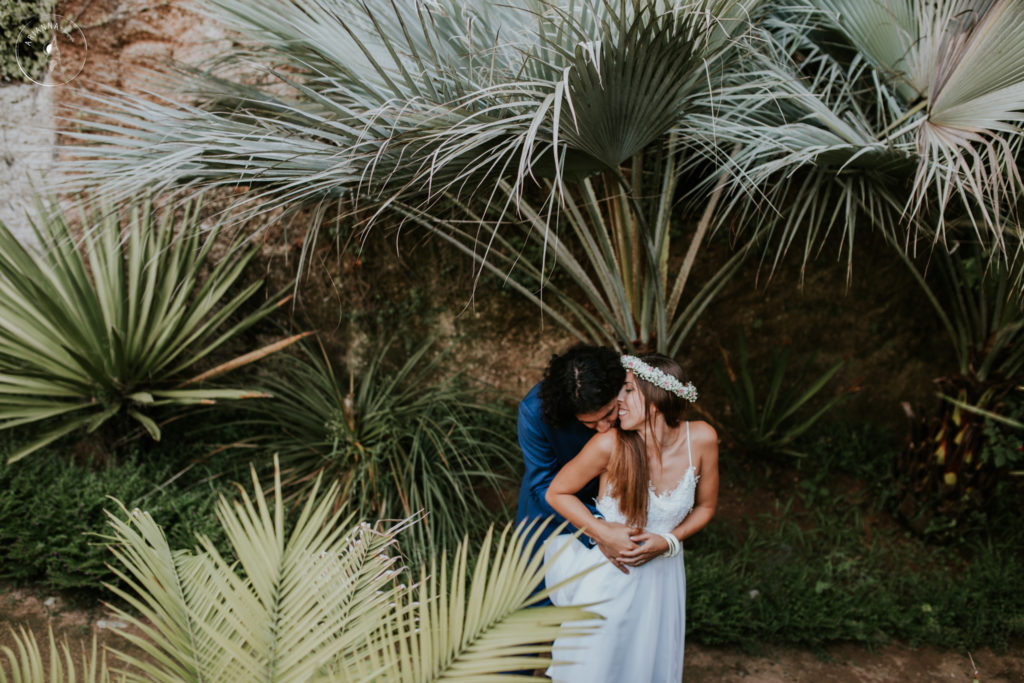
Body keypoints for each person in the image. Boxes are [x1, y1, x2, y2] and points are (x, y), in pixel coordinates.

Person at [543, 353, 719, 682]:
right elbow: (556, 492)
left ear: (655, 397)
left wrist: (667, 541)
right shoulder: (609, 444)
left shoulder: (703, 438)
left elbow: (706, 507)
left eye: (627, 390)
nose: (618, 400)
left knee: (644, 669)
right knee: (594, 670)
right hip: (609, 578)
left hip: (663, 582)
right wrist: (601, 532)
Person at [516, 344, 639, 578]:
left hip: (617, 501)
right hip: (551, 511)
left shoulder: (635, 397)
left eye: (609, 414)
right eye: (590, 423)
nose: (603, 428)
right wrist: (598, 529)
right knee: (543, 594)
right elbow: (542, 485)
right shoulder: (533, 413)